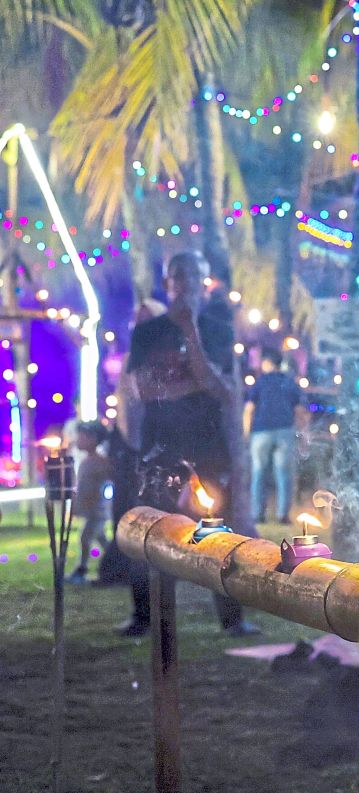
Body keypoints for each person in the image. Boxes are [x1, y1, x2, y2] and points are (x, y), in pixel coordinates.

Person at [117, 251, 259, 638]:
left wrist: (191, 332)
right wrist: (196, 383)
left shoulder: (216, 328)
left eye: (195, 276)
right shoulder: (148, 332)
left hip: (207, 447)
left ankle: (232, 619)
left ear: (205, 282)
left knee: (218, 535)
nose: (187, 284)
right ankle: (144, 618)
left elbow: (225, 390)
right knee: (150, 531)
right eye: (179, 276)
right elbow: (143, 388)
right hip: (159, 448)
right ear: (168, 284)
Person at [244, 347, 304, 523]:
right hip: (285, 431)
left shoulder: (260, 382)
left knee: (258, 473)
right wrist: (302, 433)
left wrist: (246, 434)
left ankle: (258, 514)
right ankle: (282, 514)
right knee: (283, 474)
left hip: (260, 432)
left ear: (267, 363)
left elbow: (249, 409)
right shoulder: (289, 382)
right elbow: (299, 410)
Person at [67, 420, 111, 584]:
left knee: (86, 538)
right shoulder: (86, 461)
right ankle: (116, 564)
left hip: (97, 511)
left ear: (93, 439)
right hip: (92, 510)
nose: (77, 440)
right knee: (101, 539)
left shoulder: (100, 462)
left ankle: (82, 569)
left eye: (82, 437)